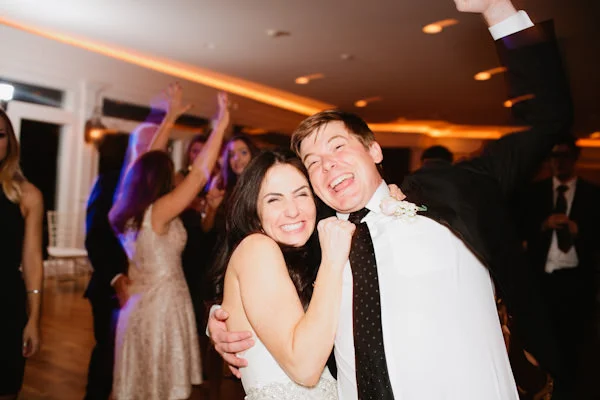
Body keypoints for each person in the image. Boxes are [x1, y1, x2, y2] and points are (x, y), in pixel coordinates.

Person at [209, 1, 573, 398]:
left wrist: (496, 9)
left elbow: (546, 119)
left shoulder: (450, 191)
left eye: (338, 146)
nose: (328, 165)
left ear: (374, 150)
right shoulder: (316, 243)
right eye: (313, 162)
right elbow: (276, 305)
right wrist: (224, 320)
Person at [108, 89, 229, 399]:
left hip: (138, 306)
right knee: (160, 387)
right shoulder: (159, 213)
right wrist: (221, 125)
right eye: (172, 175)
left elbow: (147, 162)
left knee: (142, 384)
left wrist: (171, 116)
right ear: (162, 181)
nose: (177, 178)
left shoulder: (127, 209)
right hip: (163, 307)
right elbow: (199, 175)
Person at [209, 150, 354, 399]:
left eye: (301, 194)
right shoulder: (257, 248)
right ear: (254, 211)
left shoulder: (305, 259)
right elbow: (305, 368)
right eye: (274, 200)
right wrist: (333, 261)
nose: (293, 211)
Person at [84, 83, 193, 400]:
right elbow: (95, 238)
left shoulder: (163, 193)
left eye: (158, 144)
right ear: (134, 148)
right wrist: (116, 278)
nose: (153, 150)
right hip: (113, 288)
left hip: (156, 296)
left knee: (148, 368)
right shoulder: (110, 183)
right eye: (145, 144)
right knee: (108, 361)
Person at [517, 136, 600, 397]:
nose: (559, 162)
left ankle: (569, 392)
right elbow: (515, 232)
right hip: (542, 280)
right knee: (541, 341)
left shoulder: (593, 194)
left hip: (577, 281)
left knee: (575, 345)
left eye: (564, 156)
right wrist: (543, 226)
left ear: (574, 159)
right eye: (554, 156)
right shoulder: (533, 193)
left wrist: (579, 231)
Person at [0, 109, 44, 399]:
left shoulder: (27, 195)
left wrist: (34, 318)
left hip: (5, 305)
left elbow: (32, 261)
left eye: (0, 135)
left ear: (10, 142)